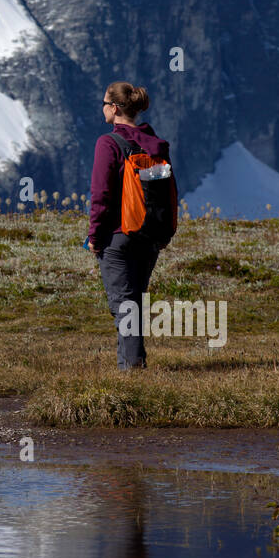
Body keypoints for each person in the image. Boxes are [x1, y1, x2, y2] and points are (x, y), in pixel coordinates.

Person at [87, 82, 175, 371]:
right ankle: (129, 368)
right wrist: (164, 234)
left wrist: (94, 238)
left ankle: (134, 371)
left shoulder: (108, 143)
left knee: (123, 306)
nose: (102, 108)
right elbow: (170, 191)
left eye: (104, 103)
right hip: (149, 236)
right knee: (133, 304)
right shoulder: (157, 145)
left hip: (118, 235)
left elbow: (101, 196)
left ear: (114, 108)